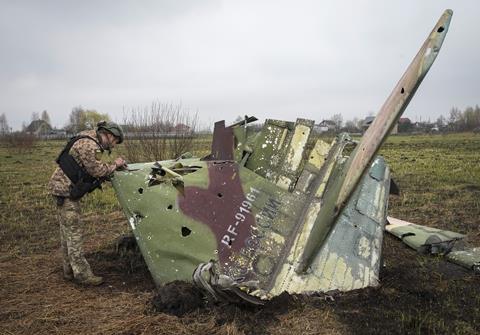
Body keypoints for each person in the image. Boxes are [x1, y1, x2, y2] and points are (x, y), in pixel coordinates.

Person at [48, 121, 126, 285]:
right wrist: (115, 165)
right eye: (114, 142)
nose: (113, 145)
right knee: (74, 233)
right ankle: (82, 275)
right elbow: (97, 170)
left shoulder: (87, 137)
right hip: (65, 190)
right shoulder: (91, 145)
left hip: (61, 189)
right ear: (110, 135)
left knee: (67, 233)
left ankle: (69, 271)